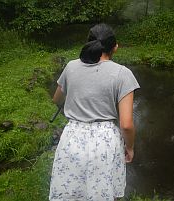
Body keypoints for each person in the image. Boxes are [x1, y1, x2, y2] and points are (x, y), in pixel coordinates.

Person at [49, 23, 140, 201]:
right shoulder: (123, 74)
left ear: (88, 43)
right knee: (102, 192)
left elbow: (56, 99)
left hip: (72, 138)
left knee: (71, 192)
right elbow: (126, 124)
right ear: (115, 47)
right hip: (105, 142)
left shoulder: (71, 67)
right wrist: (129, 147)